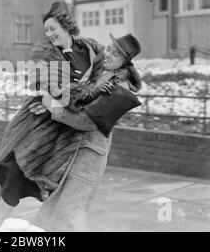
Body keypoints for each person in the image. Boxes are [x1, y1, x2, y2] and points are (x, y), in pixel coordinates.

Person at [0, 2, 141, 232]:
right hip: (38, 121)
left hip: (62, 130)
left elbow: (115, 66)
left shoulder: (91, 50)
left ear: (67, 26)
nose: (49, 34)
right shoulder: (46, 54)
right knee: (8, 169)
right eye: (46, 31)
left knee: (21, 179)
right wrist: (53, 97)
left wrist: (113, 83)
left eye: (53, 28)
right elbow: (44, 85)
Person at [31, 32, 142, 231]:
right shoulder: (100, 74)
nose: (108, 54)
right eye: (109, 48)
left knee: (69, 217)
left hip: (86, 161)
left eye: (115, 54)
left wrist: (51, 105)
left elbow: (86, 121)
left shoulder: (121, 89)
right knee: (51, 217)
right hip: (72, 152)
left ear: (125, 62)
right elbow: (74, 99)